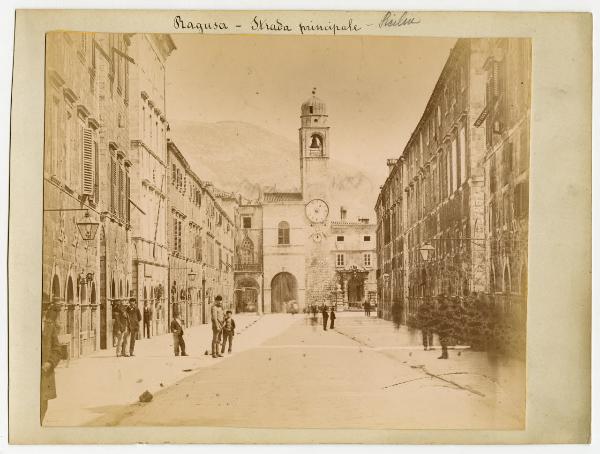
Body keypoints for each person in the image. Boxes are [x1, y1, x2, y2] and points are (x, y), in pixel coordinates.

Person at [41, 302, 63, 424]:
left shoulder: (49, 327)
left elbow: (57, 350)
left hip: (44, 373)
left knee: (43, 405)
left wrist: (50, 363)